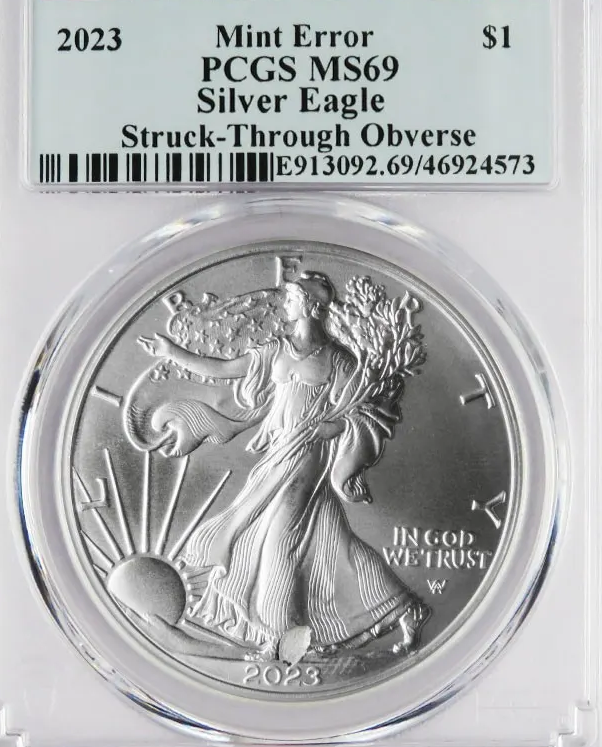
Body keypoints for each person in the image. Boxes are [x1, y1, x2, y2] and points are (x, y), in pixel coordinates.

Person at [137, 272, 427, 660]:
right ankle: (404, 608)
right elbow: (224, 370)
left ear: (311, 306)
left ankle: (278, 637)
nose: (285, 304)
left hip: (308, 455)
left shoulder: (338, 360)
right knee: (330, 541)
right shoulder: (276, 349)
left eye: (291, 299)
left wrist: (332, 427)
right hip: (277, 453)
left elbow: (363, 411)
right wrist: (172, 352)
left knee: (278, 541)